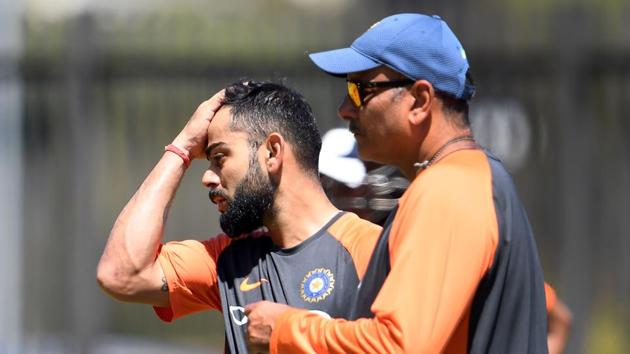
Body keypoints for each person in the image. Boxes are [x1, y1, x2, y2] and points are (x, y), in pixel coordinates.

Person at [245, 13, 549, 353]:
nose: (345, 108)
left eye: (360, 90)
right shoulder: (472, 178)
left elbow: (399, 346)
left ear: (419, 101)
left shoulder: (448, 189)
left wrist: (285, 329)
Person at [96, 80, 381, 354]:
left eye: (219, 158)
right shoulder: (228, 260)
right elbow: (120, 275)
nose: (207, 178)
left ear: (272, 152)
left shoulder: (374, 250)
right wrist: (181, 147)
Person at [320, 127, 573, 354]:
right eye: (343, 187)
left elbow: (558, 318)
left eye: (364, 180)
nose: (362, 192)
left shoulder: (425, 236)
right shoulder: (321, 251)